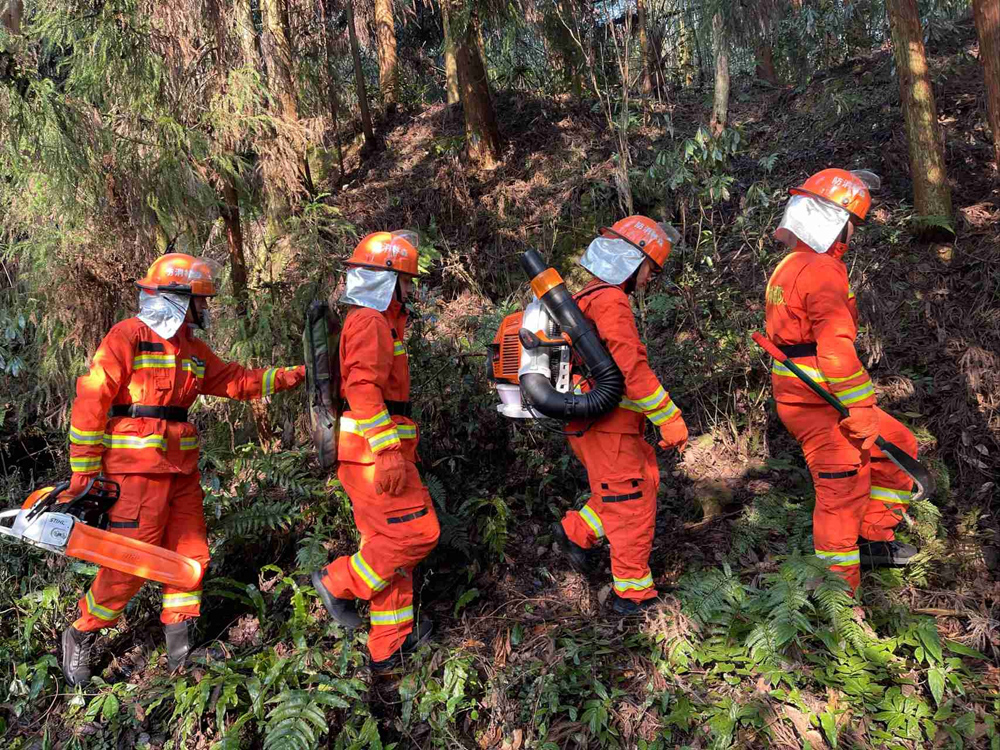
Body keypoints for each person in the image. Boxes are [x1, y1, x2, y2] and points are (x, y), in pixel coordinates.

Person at [62, 253, 305, 686]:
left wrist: (290, 377)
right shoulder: (128, 336)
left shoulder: (192, 348)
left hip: (181, 472)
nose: (205, 310)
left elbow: (235, 380)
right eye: (200, 302)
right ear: (178, 299)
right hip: (134, 474)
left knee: (191, 558)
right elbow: (92, 400)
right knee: (130, 562)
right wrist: (84, 473)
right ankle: (81, 632)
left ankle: (182, 651)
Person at [765, 168, 918, 592]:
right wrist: (862, 407)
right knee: (841, 493)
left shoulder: (789, 267)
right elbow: (834, 349)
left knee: (899, 445)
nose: (852, 233)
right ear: (835, 221)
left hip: (811, 396)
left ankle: (873, 538)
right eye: (852, 223)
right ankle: (840, 598)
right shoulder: (820, 270)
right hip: (820, 403)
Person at [311, 231, 440, 673]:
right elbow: (363, 388)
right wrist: (387, 452)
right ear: (388, 280)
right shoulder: (368, 321)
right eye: (406, 280)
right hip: (373, 453)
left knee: (388, 547)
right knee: (416, 534)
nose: (411, 289)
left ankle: (389, 645)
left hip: (382, 446)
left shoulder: (385, 321)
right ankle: (336, 582)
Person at [552, 216, 689, 616]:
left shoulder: (587, 297)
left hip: (599, 425)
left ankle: (577, 533)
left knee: (636, 483)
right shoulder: (610, 300)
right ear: (632, 259)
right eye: (649, 269)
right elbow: (632, 369)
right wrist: (669, 417)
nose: (648, 281)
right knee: (630, 503)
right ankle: (631, 595)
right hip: (605, 426)